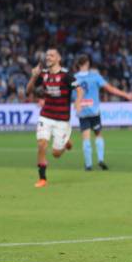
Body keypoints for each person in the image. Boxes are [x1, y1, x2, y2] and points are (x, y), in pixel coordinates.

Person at [26, 47, 83, 187]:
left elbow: (80, 89)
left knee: (56, 154)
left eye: (51, 55)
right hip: (46, 115)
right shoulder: (43, 73)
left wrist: (77, 101)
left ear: (58, 59)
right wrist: (33, 76)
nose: (48, 58)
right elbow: (28, 91)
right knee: (41, 144)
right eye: (47, 56)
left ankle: (65, 142)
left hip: (62, 119)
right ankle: (42, 178)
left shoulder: (66, 75)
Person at [74, 54, 132, 171]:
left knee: (86, 138)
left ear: (78, 64)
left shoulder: (73, 78)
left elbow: (65, 94)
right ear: (87, 63)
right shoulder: (95, 76)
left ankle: (88, 165)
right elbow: (110, 89)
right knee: (98, 134)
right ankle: (101, 159)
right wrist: (126, 95)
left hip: (82, 111)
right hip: (94, 111)